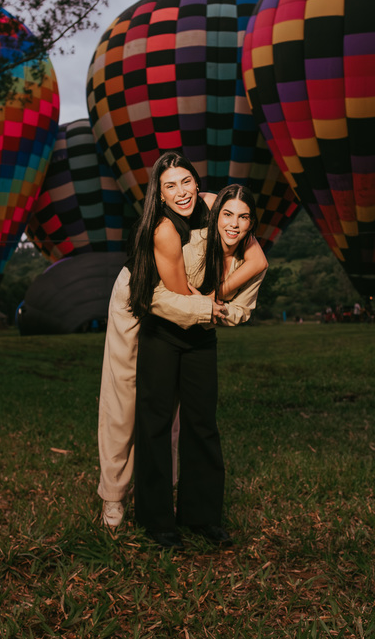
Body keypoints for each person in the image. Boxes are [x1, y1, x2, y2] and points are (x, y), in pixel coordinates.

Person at [96, 153, 266, 530]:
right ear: (158, 192)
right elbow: (182, 298)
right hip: (139, 298)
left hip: (187, 299)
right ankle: (114, 497)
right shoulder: (164, 229)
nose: (181, 192)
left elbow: (258, 260)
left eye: (186, 181)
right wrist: (214, 305)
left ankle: (169, 489)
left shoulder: (213, 205)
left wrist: (218, 295)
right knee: (124, 399)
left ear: (197, 182)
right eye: (169, 185)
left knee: (177, 406)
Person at [134, 184, 267, 549]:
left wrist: (216, 302)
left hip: (202, 339)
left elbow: (243, 311)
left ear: (251, 223)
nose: (234, 224)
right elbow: (155, 294)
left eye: (243, 217)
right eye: (227, 214)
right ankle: (156, 520)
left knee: (202, 425)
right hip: (161, 333)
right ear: (216, 216)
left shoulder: (250, 262)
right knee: (155, 423)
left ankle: (202, 516)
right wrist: (205, 307)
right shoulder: (190, 242)